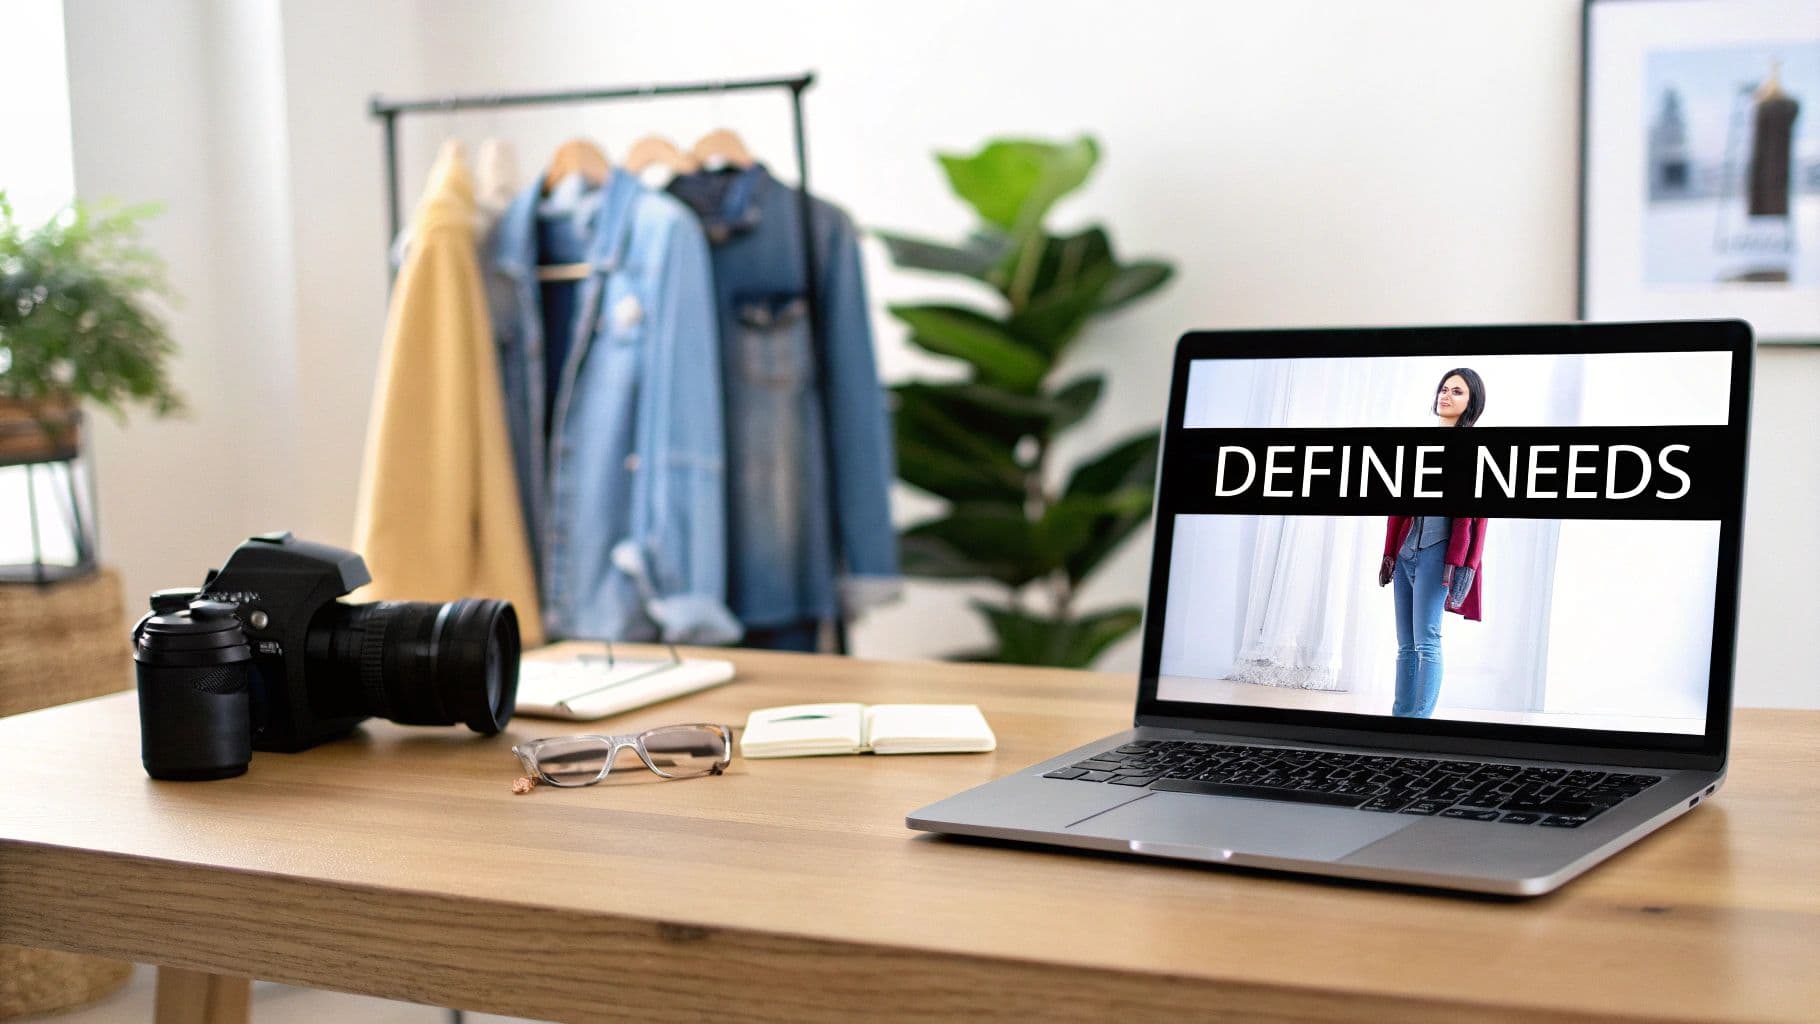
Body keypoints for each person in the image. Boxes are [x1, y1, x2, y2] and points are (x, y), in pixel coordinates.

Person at [1377, 368, 1488, 718]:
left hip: (1439, 556)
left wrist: (1464, 565)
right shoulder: (1420, 445)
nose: (1446, 396)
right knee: (1405, 646)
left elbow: (1479, 516)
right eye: (1444, 389)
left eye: (1457, 392)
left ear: (1471, 403)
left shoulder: (1475, 450)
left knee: (1427, 641)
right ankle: (1401, 719)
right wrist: (1389, 553)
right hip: (1407, 551)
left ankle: (1420, 721)